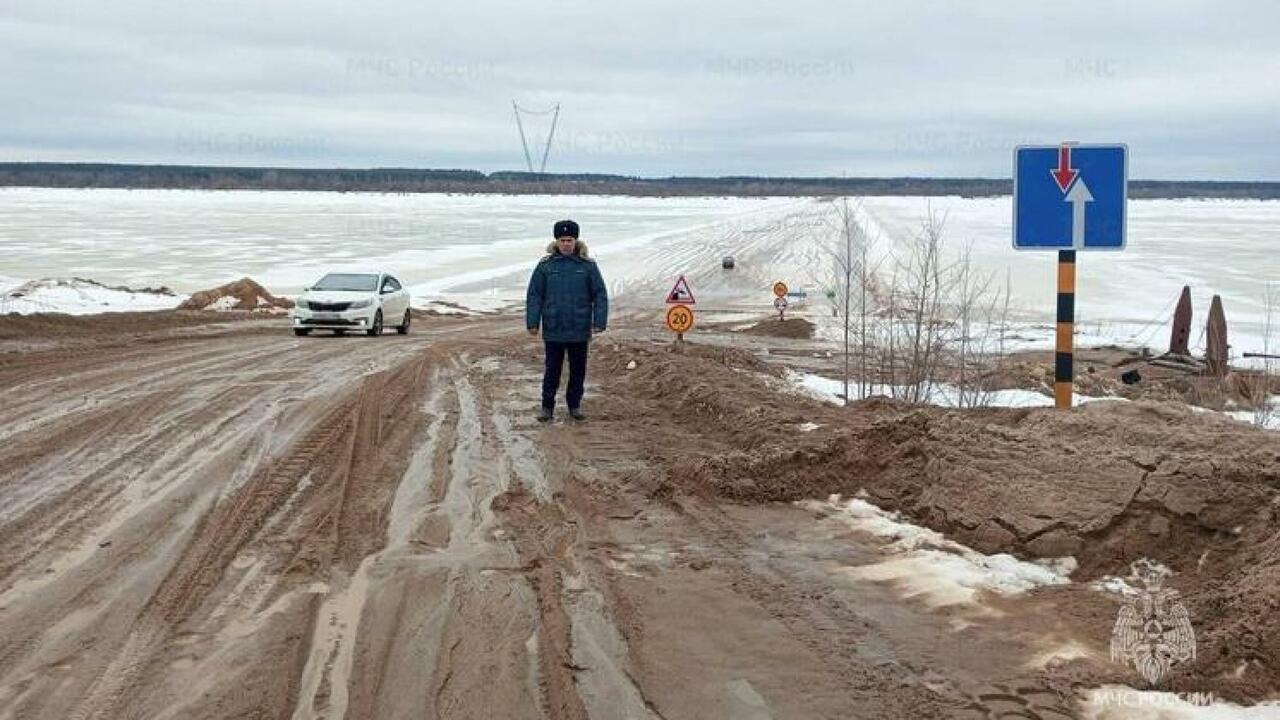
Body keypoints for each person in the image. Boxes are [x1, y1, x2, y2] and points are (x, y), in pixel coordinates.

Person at [526, 219, 608, 422]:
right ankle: (547, 407)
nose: (566, 244)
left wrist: (599, 321)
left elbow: (599, 294)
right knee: (552, 370)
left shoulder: (587, 266)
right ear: (556, 241)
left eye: (569, 240)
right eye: (562, 240)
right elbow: (535, 295)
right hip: (554, 328)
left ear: (575, 241)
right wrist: (533, 322)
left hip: (579, 328)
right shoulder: (545, 266)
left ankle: (574, 406)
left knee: (578, 371)